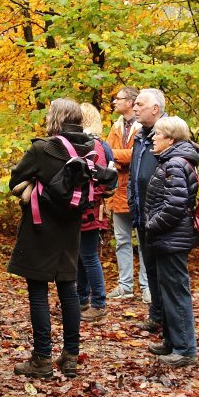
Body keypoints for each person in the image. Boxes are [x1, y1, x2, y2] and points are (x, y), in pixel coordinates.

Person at [8, 99, 95, 379]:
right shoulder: (90, 150)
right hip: (71, 229)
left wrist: (33, 184)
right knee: (69, 289)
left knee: (38, 291)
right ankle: (70, 356)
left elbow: (15, 181)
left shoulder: (42, 149)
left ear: (55, 119)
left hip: (40, 227)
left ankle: (42, 358)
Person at [142, 116, 199, 367]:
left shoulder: (175, 164)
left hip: (172, 238)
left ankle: (185, 349)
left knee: (176, 292)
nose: (153, 138)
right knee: (167, 291)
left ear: (171, 139)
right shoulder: (170, 161)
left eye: (157, 135)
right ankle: (171, 341)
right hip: (167, 237)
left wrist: (151, 225)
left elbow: (174, 206)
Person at [106, 86, 150, 303]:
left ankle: (146, 286)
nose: (114, 101)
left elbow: (137, 154)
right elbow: (105, 154)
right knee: (122, 240)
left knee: (143, 241)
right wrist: (119, 156)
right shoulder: (116, 126)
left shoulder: (143, 127)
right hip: (117, 191)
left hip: (139, 193)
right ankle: (125, 286)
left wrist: (116, 155)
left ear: (131, 102)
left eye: (119, 98)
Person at [129, 88, 167, 331]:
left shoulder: (168, 135)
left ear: (155, 109)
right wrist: (134, 204)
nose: (134, 108)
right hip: (142, 214)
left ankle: (169, 321)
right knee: (150, 268)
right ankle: (156, 315)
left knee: (164, 272)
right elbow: (136, 175)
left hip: (161, 217)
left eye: (140, 104)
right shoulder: (140, 136)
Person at [77, 103, 114, 322]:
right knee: (82, 256)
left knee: (89, 257)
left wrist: (84, 194)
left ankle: (99, 304)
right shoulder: (90, 144)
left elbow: (102, 179)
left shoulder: (95, 146)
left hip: (91, 209)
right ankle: (82, 300)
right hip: (87, 207)